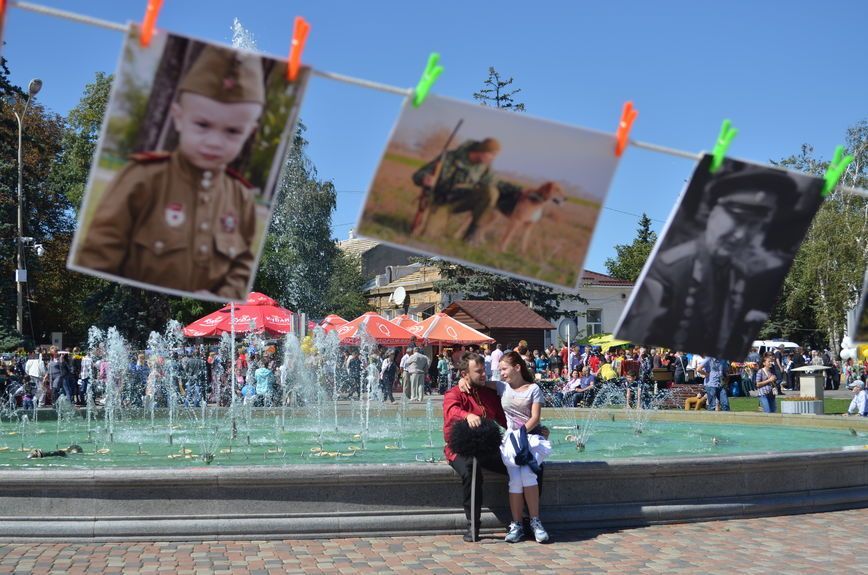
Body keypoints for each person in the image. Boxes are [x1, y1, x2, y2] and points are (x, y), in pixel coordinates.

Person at [75, 44, 265, 299]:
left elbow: (242, 264)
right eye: (202, 124)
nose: (214, 141)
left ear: (248, 134)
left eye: (232, 131)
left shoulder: (240, 196)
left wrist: (222, 292)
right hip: (143, 296)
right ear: (178, 117)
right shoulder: (142, 177)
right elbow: (98, 251)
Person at [617, 166, 816, 359]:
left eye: (756, 222)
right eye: (737, 216)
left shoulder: (744, 274)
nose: (742, 233)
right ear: (710, 212)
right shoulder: (668, 273)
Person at [443, 352, 507, 542]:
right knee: (472, 469)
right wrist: (467, 415)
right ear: (465, 374)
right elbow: (451, 410)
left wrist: (531, 430)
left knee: (521, 464)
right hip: (460, 449)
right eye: (478, 372)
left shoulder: (488, 393)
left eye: (483, 371)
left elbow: (505, 420)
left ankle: (524, 520)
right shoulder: (454, 393)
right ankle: (473, 525)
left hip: (486, 448)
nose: (483, 375)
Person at [411, 137, 501, 240]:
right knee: (429, 235)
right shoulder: (449, 157)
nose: (493, 158)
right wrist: (425, 178)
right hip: (441, 201)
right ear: (482, 151)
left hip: (462, 201)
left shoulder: (485, 167)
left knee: (492, 192)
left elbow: (492, 184)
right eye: (492, 154)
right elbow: (417, 175)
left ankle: (471, 236)